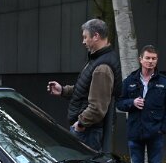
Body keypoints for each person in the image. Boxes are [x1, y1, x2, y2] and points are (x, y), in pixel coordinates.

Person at [46, 18, 121, 151]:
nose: (83, 41)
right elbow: (85, 89)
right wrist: (63, 90)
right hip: (87, 130)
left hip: (88, 132)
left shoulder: (102, 67)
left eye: (85, 37)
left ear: (96, 36)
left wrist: (80, 124)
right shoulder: (97, 59)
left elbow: (97, 108)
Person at [116, 45, 166, 163]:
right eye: (147, 58)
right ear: (140, 59)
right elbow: (119, 103)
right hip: (135, 132)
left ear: (157, 60)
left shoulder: (164, 82)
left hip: (155, 132)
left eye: (154, 58)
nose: (150, 61)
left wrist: (163, 128)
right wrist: (132, 102)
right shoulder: (129, 80)